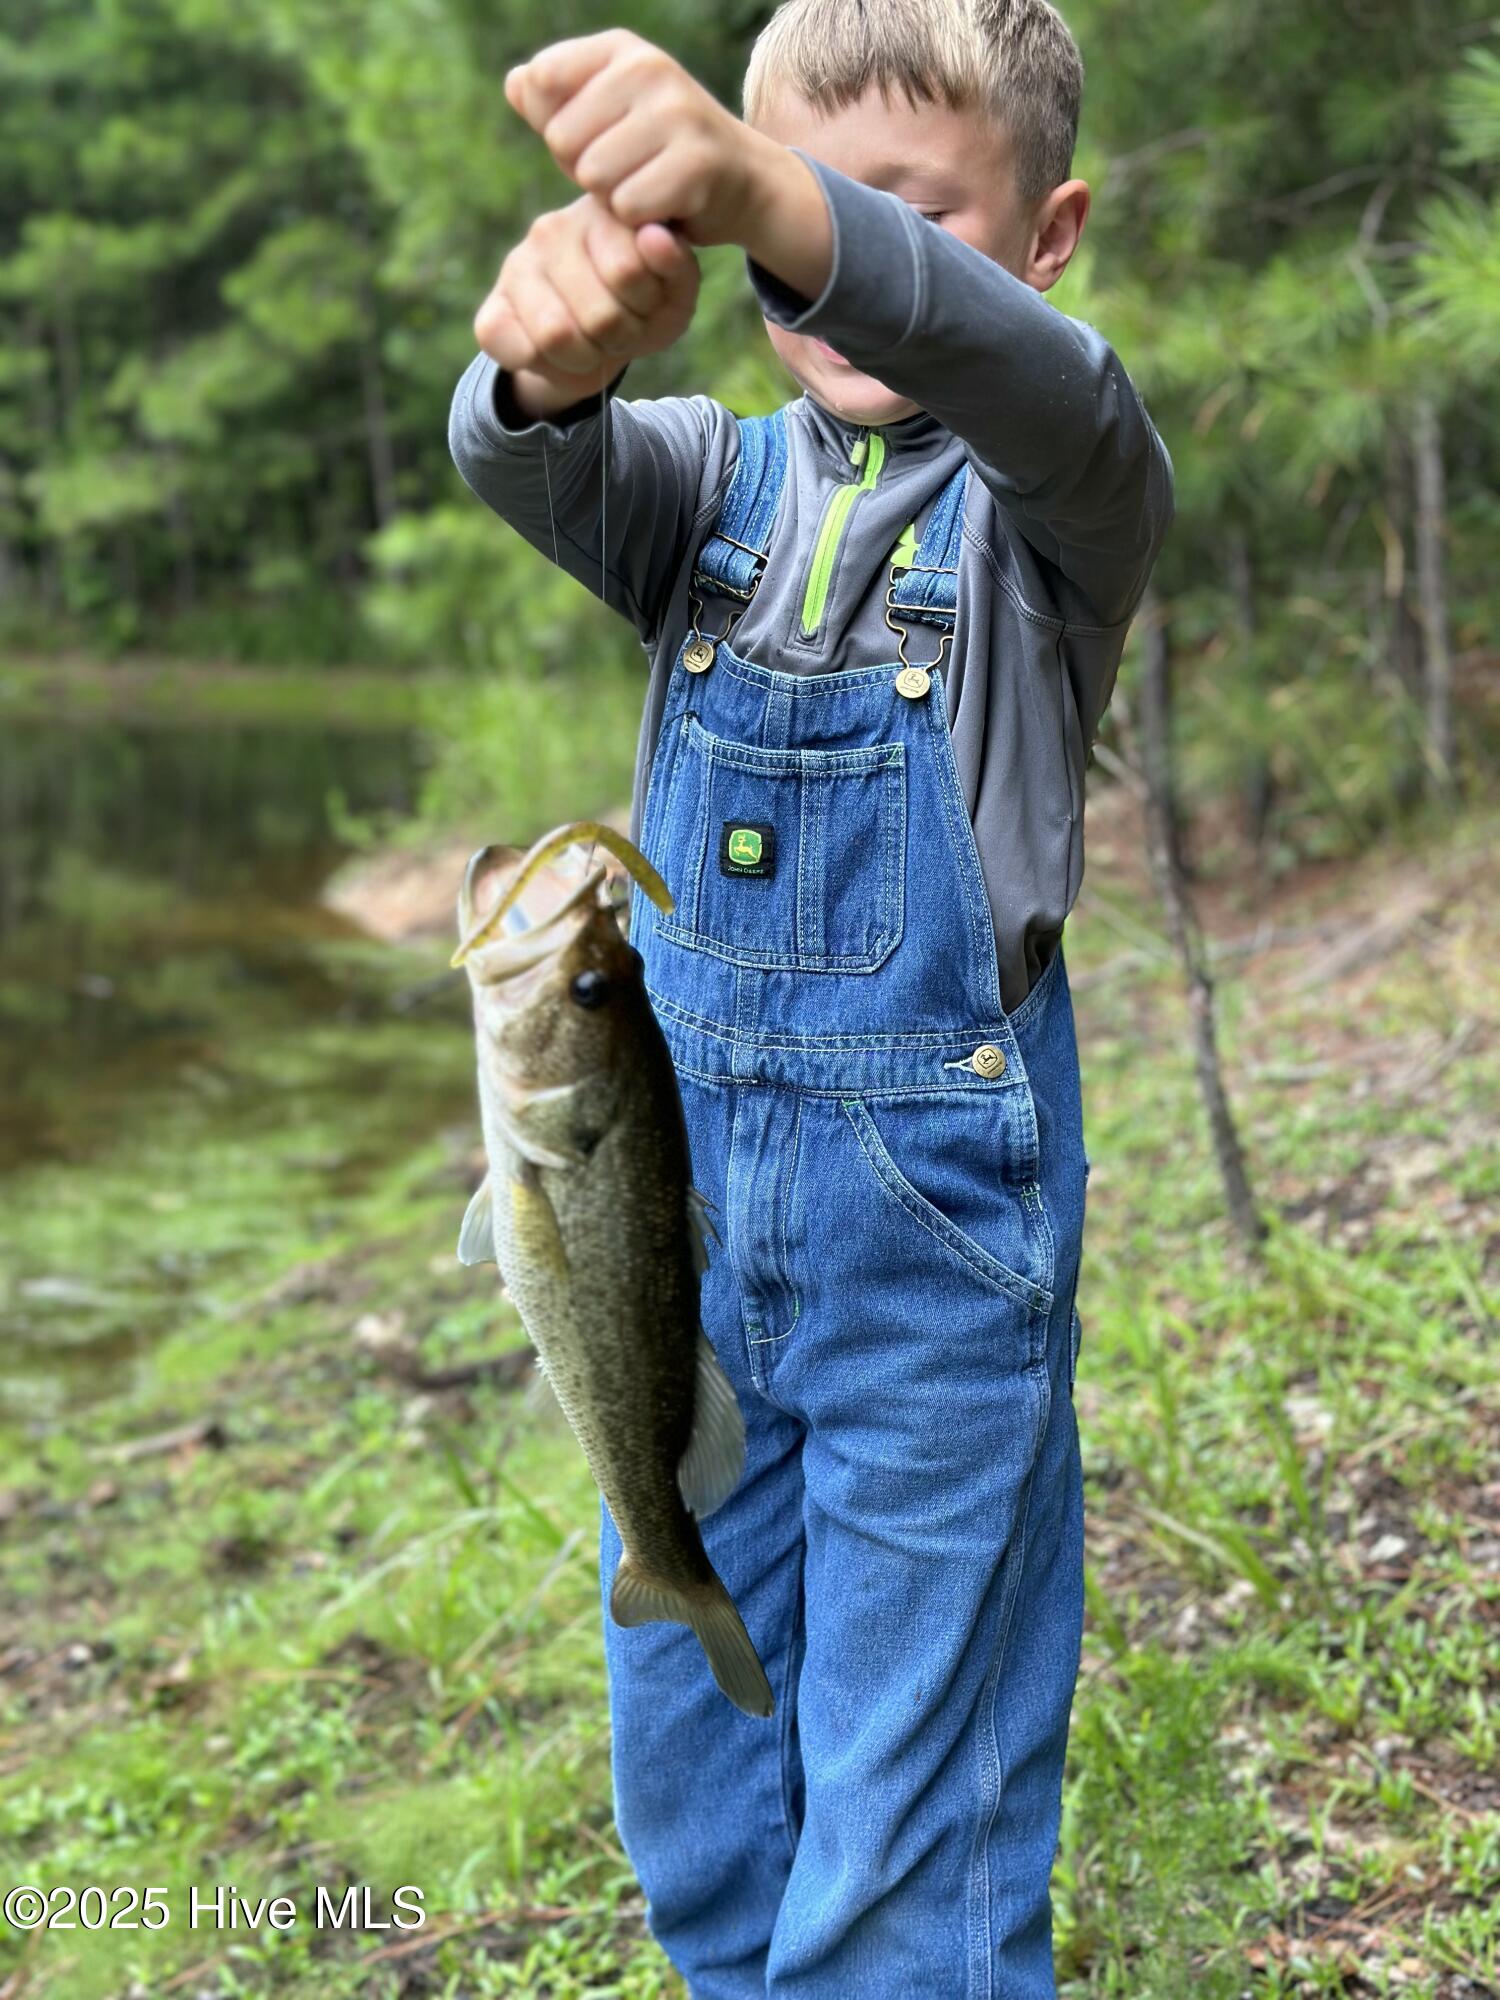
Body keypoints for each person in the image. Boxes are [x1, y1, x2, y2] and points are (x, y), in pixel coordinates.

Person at [448, 2, 1173, 1991]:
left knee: (902, 1843)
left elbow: (1051, 395)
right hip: (687, 1259)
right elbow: (521, 454)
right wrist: (544, 361)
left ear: (1043, 237)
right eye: (787, 225)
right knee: (702, 1809)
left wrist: (781, 195)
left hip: (937, 1258)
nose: (822, 264)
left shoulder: (1054, 516)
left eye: (899, 216)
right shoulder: (705, 491)